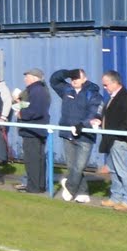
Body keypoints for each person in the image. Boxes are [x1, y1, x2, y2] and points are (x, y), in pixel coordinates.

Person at [50, 67, 103, 204]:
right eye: (72, 78)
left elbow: (93, 113)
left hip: (85, 136)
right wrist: (67, 73)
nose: (73, 81)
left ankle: (68, 186)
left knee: (79, 167)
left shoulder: (93, 94)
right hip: (67, 133)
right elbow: (54, 80)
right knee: (72, 167)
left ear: (84, 79)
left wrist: (82, 125)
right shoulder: (67, 90)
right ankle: (83, 193)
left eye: (76, 78)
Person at [94, 70, 127, 211]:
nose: (104, 88)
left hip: (120, 140)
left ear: (114, 82)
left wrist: (114, 134)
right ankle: (116, 197)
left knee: (123, 171)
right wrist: (99, 121)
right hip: (111, 140)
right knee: (113, 170)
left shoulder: (126, 98)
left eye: (106, 85)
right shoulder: (112, 98)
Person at [16, 69, 52, 193]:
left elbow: (35, 111)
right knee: (37, 159)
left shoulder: (37, 91)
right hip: (35, 129)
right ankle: (38, 185)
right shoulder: (37, 90)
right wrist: (19, 104)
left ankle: (34, 187)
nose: (25, 79)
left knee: (33, 160)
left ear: (35, 78)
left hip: (33, 130)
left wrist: (21, 114)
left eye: (27, 77)